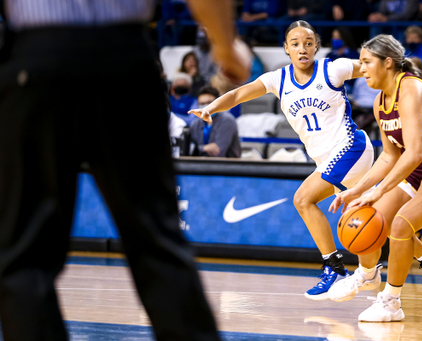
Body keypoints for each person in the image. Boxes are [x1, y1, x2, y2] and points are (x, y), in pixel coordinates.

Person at [0, 0, 249, 340]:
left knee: (25, 255)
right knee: (156, 239)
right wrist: (225, 45)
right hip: (124, 62)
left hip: (37, 60)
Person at [189, 20, 375, 301]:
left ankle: (334, 267)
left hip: (351, 148)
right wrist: (211, 108)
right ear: (286, 48)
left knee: (303, 199)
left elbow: (374, 66)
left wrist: (406, 78)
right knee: (375, 218)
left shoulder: (332, 68)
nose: (303, 48)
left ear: (316, 47)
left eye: (309, 43)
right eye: (296, 43)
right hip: (327, 159)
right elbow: (239, 94)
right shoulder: (279, 79)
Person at [328, 34, 422, 322]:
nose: (362, 68)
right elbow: (390, 156)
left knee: (400, 223)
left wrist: (379, 189)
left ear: (387, 63)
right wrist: (357, 190)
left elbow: (414, 154)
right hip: (418, 171)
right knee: (371, 216)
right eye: (360, 62)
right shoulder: (380, 103)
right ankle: (376, 272)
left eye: (367, 62)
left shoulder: (411, 91)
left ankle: (390, 302)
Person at [189, 86, 241, 157]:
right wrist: (203, 148)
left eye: (209, 102)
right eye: (201, 104)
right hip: (200, 165)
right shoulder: (196, 123)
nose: (205, 106)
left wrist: (198, 149)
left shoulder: (227, 120)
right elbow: (188, 149)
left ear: (217, 102)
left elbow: (218, 152)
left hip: (226, 165)